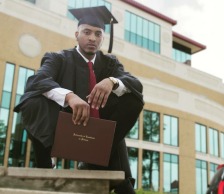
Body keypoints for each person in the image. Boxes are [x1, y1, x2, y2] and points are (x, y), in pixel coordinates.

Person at [14, 6, 144, 194]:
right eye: (87, 32)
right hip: (66, 126)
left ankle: (98, 154)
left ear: (102, 38)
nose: (92, 38)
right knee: (32, 101)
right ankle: (46, 162)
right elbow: (38, 80)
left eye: (98, 34)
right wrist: (70, 96)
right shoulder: (58, 58)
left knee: (133, 97)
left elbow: (135, 84)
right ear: (77, 34)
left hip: (101, 133)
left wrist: (112, 82)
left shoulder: (110, 63)